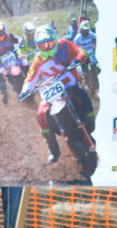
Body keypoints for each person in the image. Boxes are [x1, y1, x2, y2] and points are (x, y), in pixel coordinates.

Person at [22, 25, 95, 164]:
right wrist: (25, 90)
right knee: (41, 115)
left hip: (71, 87)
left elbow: (81, 51)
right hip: (52, 94)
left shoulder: (65, 45)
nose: (47, 47)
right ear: (37, 46)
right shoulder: (37, 60)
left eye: (49, 42)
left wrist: (78, 59)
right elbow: (30, 78)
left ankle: (90, 123)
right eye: (43, 45)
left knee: (83, 96)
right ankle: (53, 149)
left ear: (55, 39)